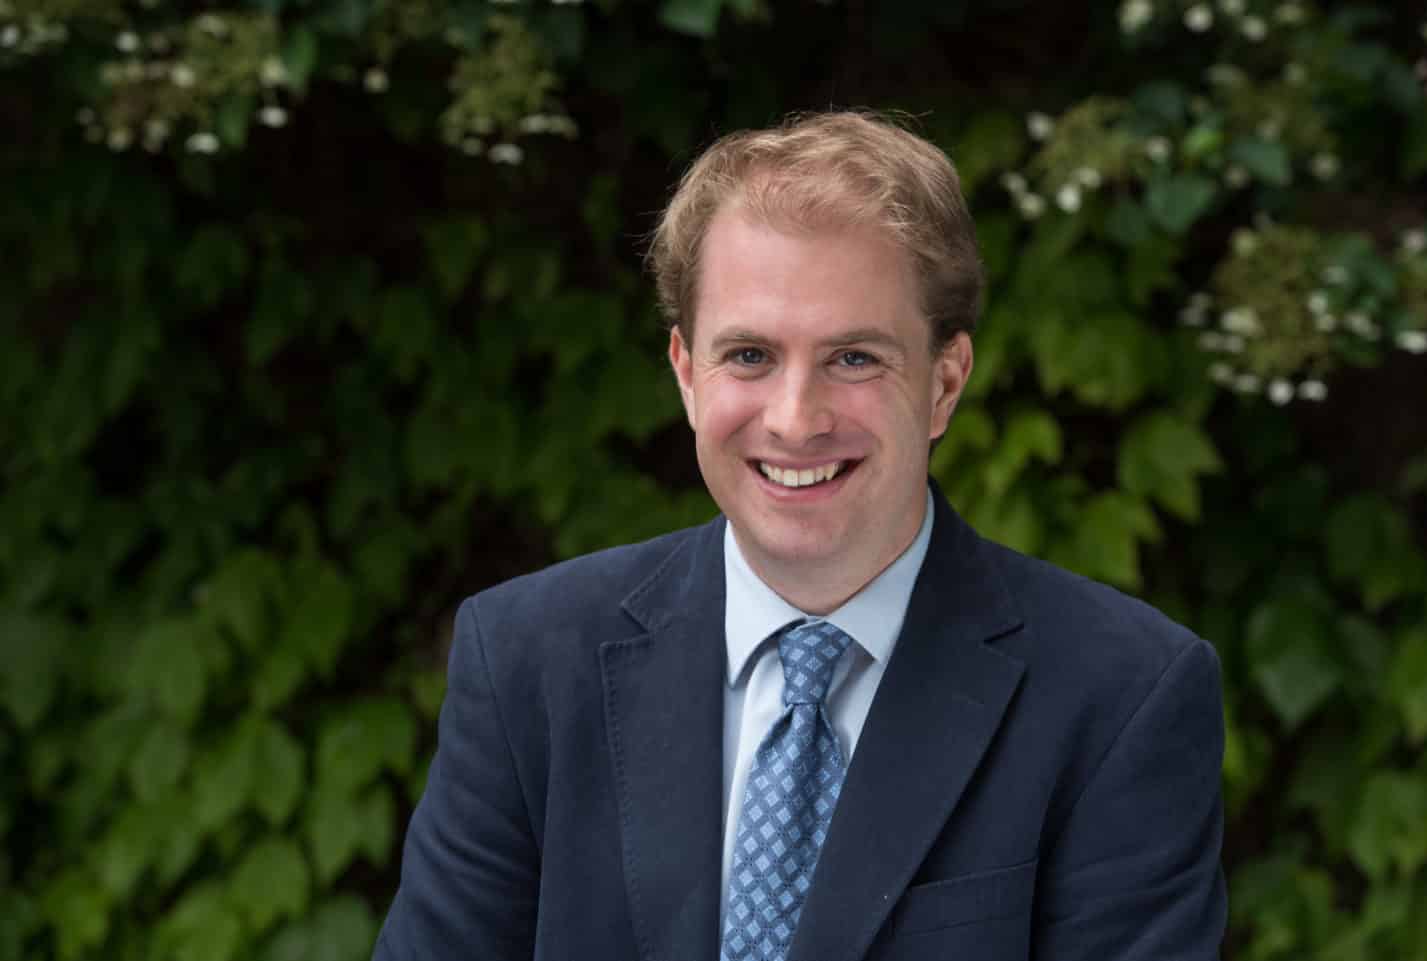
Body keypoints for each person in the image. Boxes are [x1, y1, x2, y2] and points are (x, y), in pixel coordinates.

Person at [372, 111, 1226, 961]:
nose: (795, 419)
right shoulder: (524, 661)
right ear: (685, 372)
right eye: (748, 355)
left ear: (945, 380)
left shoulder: (1122, 697)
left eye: (854, 358)